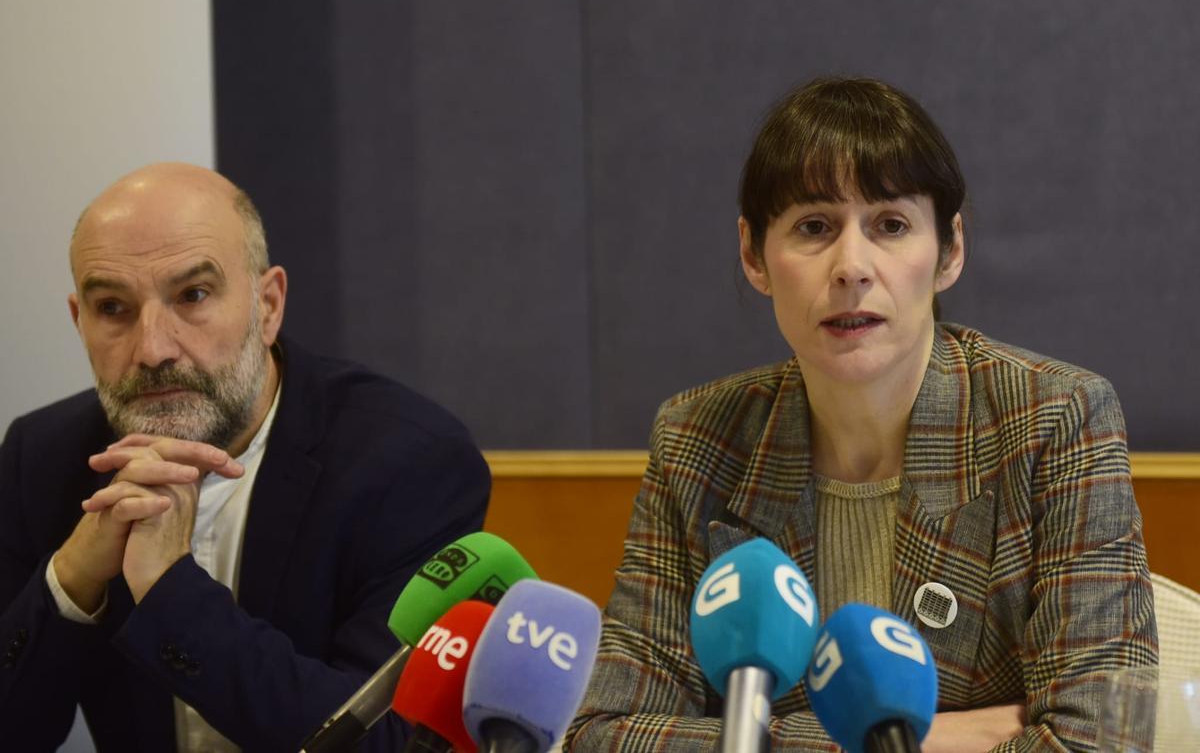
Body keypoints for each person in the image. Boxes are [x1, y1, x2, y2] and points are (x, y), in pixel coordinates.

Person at [565, 78, 1157, 751]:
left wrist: (745, 738)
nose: (852, 267)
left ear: (950, 251)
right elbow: (605, 735)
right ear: (754, 255)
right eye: (814, 227)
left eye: (891, 226)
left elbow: (1102, 741)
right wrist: (910, 739)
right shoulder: (699, 441)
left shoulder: (1055, 420)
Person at [0, 163, 491, 751]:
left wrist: (168, 590)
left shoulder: (410, 463)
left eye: (193, 295)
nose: (153, 349)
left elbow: (381, 741)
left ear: (268, 305)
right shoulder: (41, 458)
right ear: (79, 322)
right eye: (112, 308)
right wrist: (69, 583)